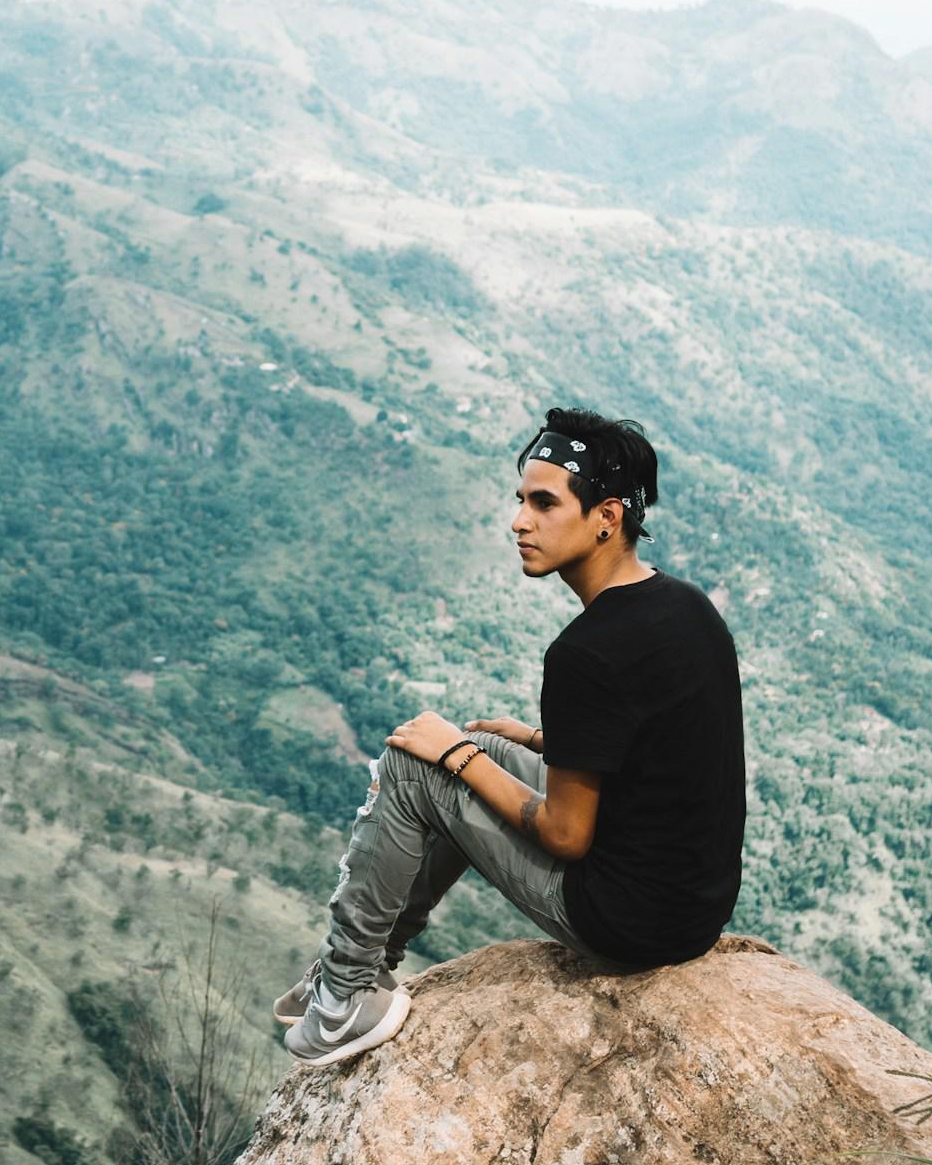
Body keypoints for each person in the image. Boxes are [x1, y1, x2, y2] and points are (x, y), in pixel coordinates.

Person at [278, 407, 746, 1068]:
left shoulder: (585, 652)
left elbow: (566, 836)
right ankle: (356, 965)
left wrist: (457, 756)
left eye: (544, 503)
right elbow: (664, 747)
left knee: (417, 761)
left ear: (607, 516)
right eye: (521, 500)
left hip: (624, 924)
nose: (519, 520)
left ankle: (346, 992)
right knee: (478, 753)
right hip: (691, 908)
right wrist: (532, 740)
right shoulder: (688, 607)